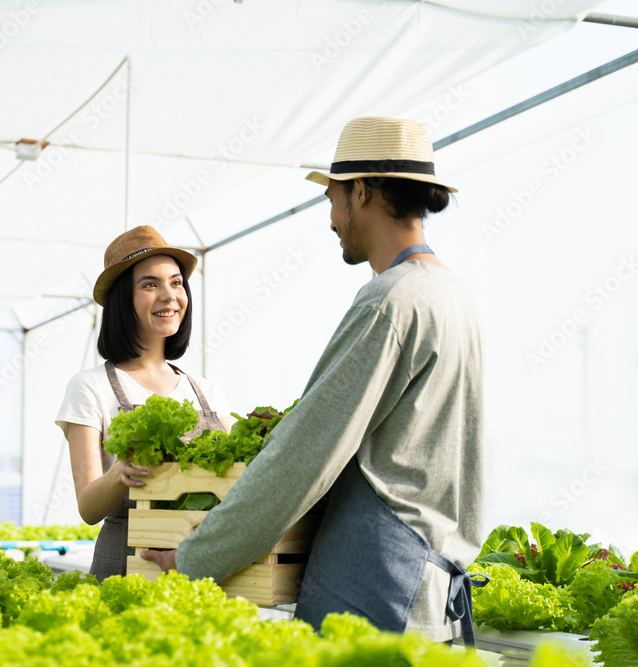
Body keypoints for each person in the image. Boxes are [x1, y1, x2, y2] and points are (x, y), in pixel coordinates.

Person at [140, 117, 487, 645]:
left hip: (377, 593)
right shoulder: (452, 295)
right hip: (430, 590)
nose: (330, 219)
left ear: (362, 191)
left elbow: (302, 459)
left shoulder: (390, 302)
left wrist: (194, 558)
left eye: (332, 197)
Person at [55, 225, 234, 581]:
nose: (169, 295)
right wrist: (120, 473)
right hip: (124, 568)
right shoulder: (90, 387)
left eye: (176, 282)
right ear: (124, 299)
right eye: (150, 284)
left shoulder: (206, 392)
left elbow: (236, 481)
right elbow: (88, 507)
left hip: (197, 568)